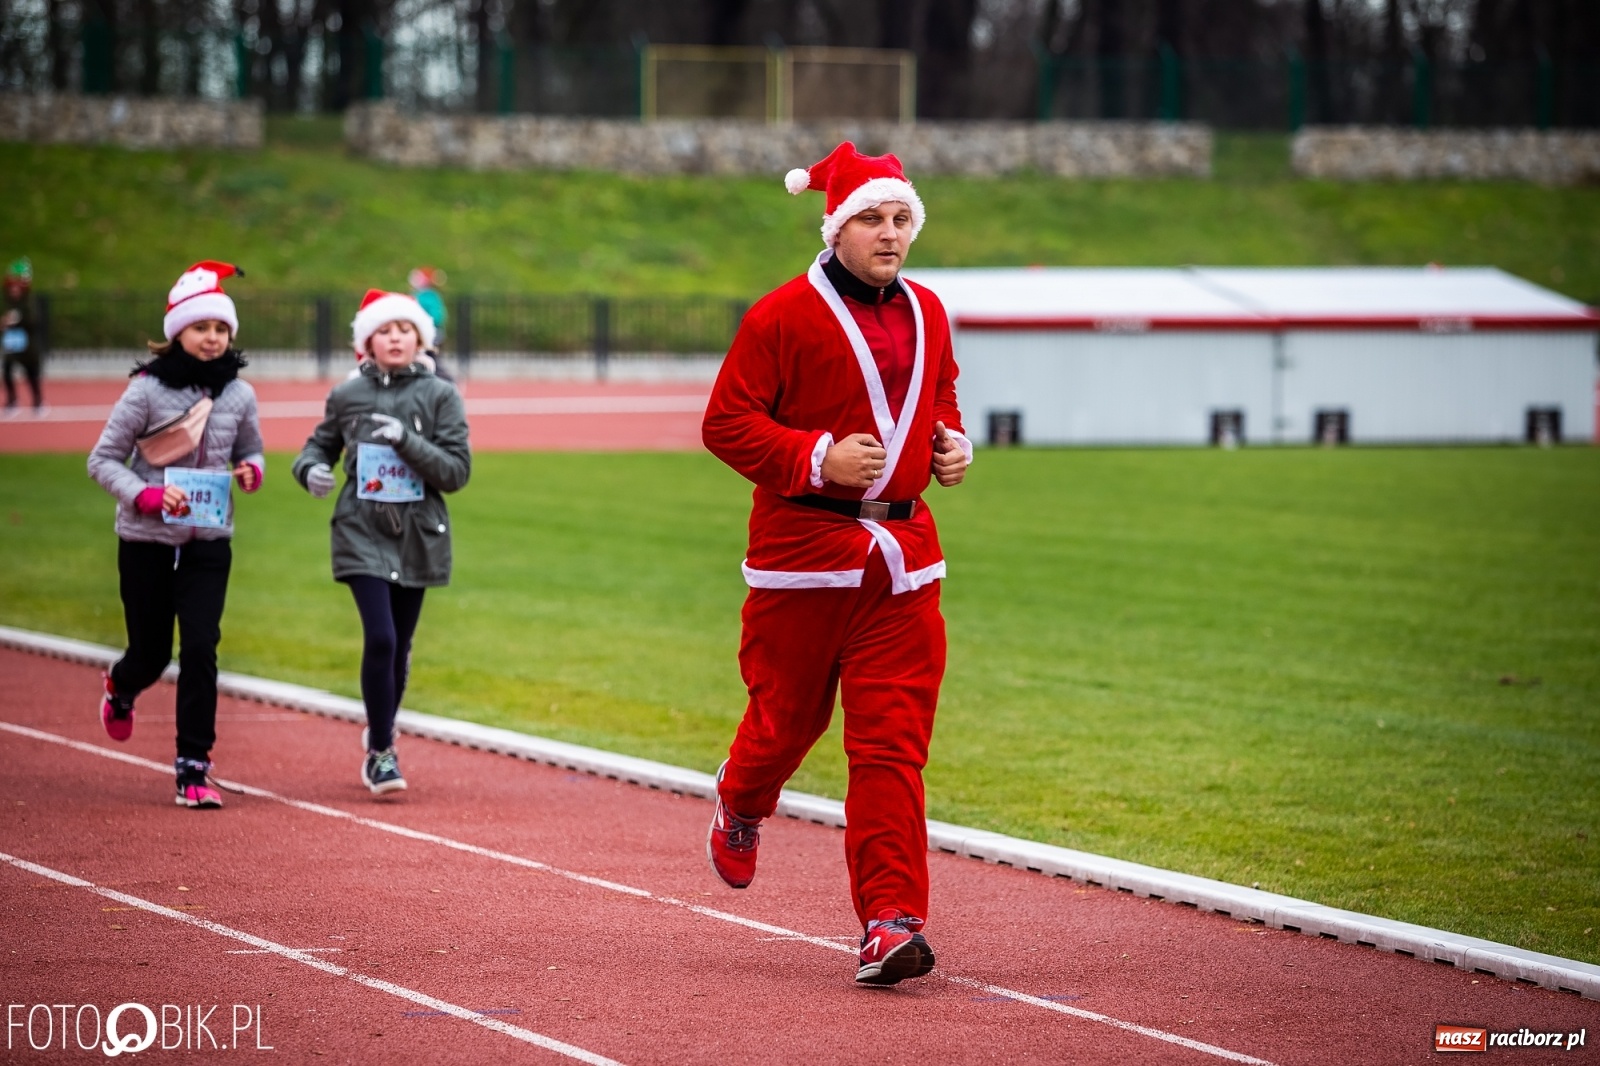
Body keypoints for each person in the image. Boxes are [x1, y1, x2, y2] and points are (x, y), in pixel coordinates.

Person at [700, 142, 973, 986]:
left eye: (901, 219)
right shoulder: (780, 316)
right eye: (872, 219)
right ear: (836, 228)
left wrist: (950, 441)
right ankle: (742, 798)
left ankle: (889, 922)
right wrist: (816, 459)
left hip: (903, 563)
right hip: (802, 559)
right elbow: (726, 424)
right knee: (786, 724)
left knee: (892, 746)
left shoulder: (929, 310)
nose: (890, 235)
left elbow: (939, 395)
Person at [87, 261, 264, 808]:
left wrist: (251, 471)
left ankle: (194, 765)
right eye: (201, 328)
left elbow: (250, 450)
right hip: (146, 538)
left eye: (221, 329)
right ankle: (121, 687)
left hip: (210, 538)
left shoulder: (239, 394)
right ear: (177, 333)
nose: (212, 338)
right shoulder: (145, 392)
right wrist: (145, 494)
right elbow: (103, 460)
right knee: (152, 651)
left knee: (202, 646)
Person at [292, 289, 470, 795]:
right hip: (360, 529)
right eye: (385, 330)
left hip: (419, 534)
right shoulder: (348, 395)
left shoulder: (441, 395)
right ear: (366, 340)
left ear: (420, 339)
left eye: (405, 330)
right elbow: (317, 446)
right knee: (383, 637)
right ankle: (381, 753)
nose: (395, 338)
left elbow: (457, 472)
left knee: (401, 648)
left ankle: (380, 730)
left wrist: (405, 440)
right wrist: (310, 471)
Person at [3, 257, 44, 415]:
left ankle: (38, 400)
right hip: (11, 343)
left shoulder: (29, 303)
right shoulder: (6, 302)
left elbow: (34, 321)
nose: (14, 290)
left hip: (27, 344)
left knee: (31, 372)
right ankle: (12, 400)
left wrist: (17, 319)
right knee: (7, 370)